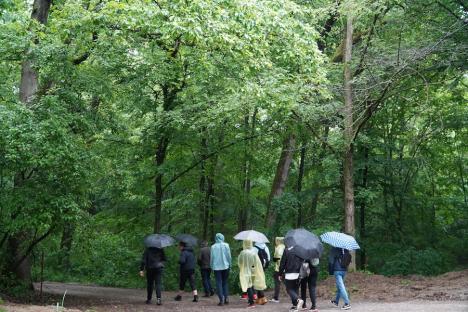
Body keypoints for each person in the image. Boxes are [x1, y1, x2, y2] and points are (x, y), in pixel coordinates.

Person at [238, 239, 267, 309]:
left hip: (245, 271)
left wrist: (242, 268)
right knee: (252, 285)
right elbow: (257, 263)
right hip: (253, 271)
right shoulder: (253, 253)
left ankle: (251, 302)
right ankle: (254, 299)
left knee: (249, 286)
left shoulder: (242, 252)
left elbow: (240, 262)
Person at [279, 245, 304, 312]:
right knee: (295, 289)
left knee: (289, 289)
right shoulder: (299, 250)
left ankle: (298, 300)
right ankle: (295, 306)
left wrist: (280, 273)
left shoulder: (286, 250)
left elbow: (282, 263)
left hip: (289, 272)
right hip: (298, 273)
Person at [210, 233, 232, 306]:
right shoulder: (226, 245)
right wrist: (230, 265)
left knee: (219, 283)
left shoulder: (213, 247)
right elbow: (229, 256)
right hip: (226, 266)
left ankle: (221, 300)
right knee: (225, 282)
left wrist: (211, 266)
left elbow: (212, 258)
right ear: (223, 237)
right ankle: (226, 298)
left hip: (216, 268)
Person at [270, 237, 285, 303]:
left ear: (278, 241)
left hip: (278, 269)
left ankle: (276, 298)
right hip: (286, 269)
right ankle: (296, 297)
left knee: (277, 284)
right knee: (288, 284)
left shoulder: (278, 248)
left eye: (276, 240)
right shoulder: (285, 247)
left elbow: (275, 259)